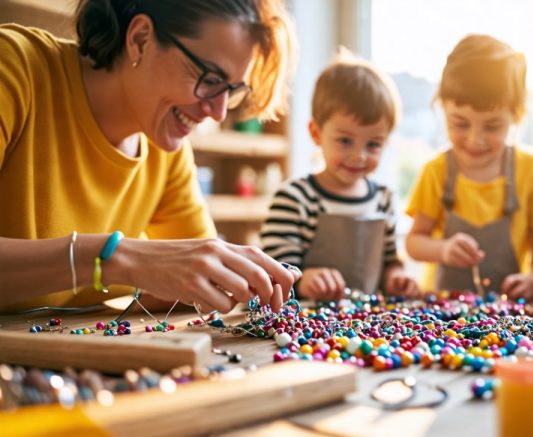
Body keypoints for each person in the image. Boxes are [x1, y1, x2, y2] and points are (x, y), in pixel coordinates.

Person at [0, 0, 300, 313]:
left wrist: (221, 280)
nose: (218, 111)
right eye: (210, 79)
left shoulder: (164, 147)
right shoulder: (13, 68)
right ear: (140, 39)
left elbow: (204, 288)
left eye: (231, 90)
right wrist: (118, 259)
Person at [405, 34, 533, 298]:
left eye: (492, 126)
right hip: (440, 314)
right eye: (460, 124)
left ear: (517, 116)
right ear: (442, 108)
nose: (475, 139)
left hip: (510, 313)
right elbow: (414, 242)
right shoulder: (436, 170)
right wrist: (442, 250)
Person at [260, 51, 420, 300]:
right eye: (345, 141)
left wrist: (397, 278)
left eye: (373, 145)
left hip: (371, 331)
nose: (359, 156)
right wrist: (303, 280)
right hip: (304, 330)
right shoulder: (294, 198)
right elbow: (272, 276)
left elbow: (391, 261)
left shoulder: (384, 198)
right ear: (316, 133)